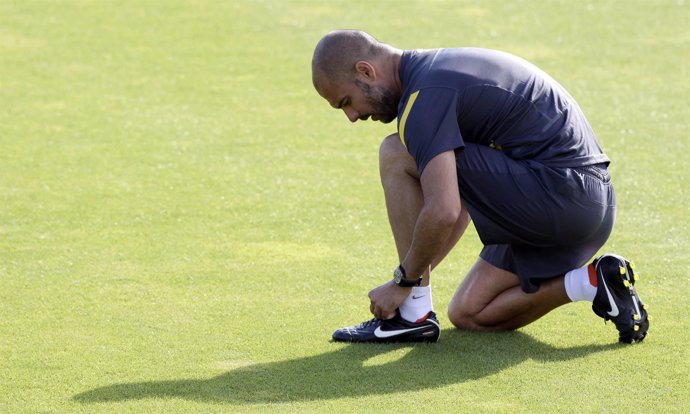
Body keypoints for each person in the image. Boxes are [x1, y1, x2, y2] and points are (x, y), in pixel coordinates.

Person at [311, 30, 649, 344]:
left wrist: (404, 282)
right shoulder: (437, 69)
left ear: (366, 71)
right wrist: (411, 279)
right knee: (470, 312)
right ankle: (592, 282)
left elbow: (444, 211)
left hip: (560, 196)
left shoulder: (424, 99)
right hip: (587, 206)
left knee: (395, 153)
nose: (352, 117)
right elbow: (462, 199)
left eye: (346, 102)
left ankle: (413, 317)